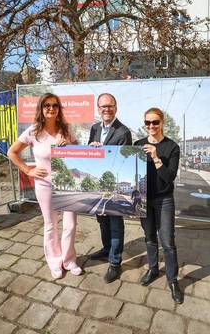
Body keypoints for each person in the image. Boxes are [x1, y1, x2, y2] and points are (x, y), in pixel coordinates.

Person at [8, 93, 82, 279]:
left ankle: (69, 260)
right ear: (41, 108)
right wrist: (28, 170)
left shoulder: (66, 129)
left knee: (70, 224)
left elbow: (80, 152)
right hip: (44, 184)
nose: (51, 108)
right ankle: (55, 262)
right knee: (50, 225)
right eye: (47, 105)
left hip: (67, 184)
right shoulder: (33, 131)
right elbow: (12, 152)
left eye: (55, 105)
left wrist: (69, 146)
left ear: (59, 109)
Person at [135, 107, 184, 304]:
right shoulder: (138, 145)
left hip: (164, 199)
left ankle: (173, 281)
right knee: (149, 237)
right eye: (147, 123)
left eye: (155, 122)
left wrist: (156, 157)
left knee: (168, 242)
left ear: (162, 123)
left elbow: (169, 177)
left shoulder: (172, 147)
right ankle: (153, 269)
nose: (151, 126)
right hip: (143, 200)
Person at [87, 93, 132, 283]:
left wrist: (102, 152)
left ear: (116, 107)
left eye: (110, 106)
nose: (106, 109)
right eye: (103, 106)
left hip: (114, 186)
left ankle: (115, 263)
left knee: (115, 223)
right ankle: (106, 249)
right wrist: (91, 148)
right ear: (98, 109)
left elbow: (123, 161)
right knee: (102, 220)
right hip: (99, 184)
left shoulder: (123, 132)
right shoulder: (95, 128)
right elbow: (90, 153)